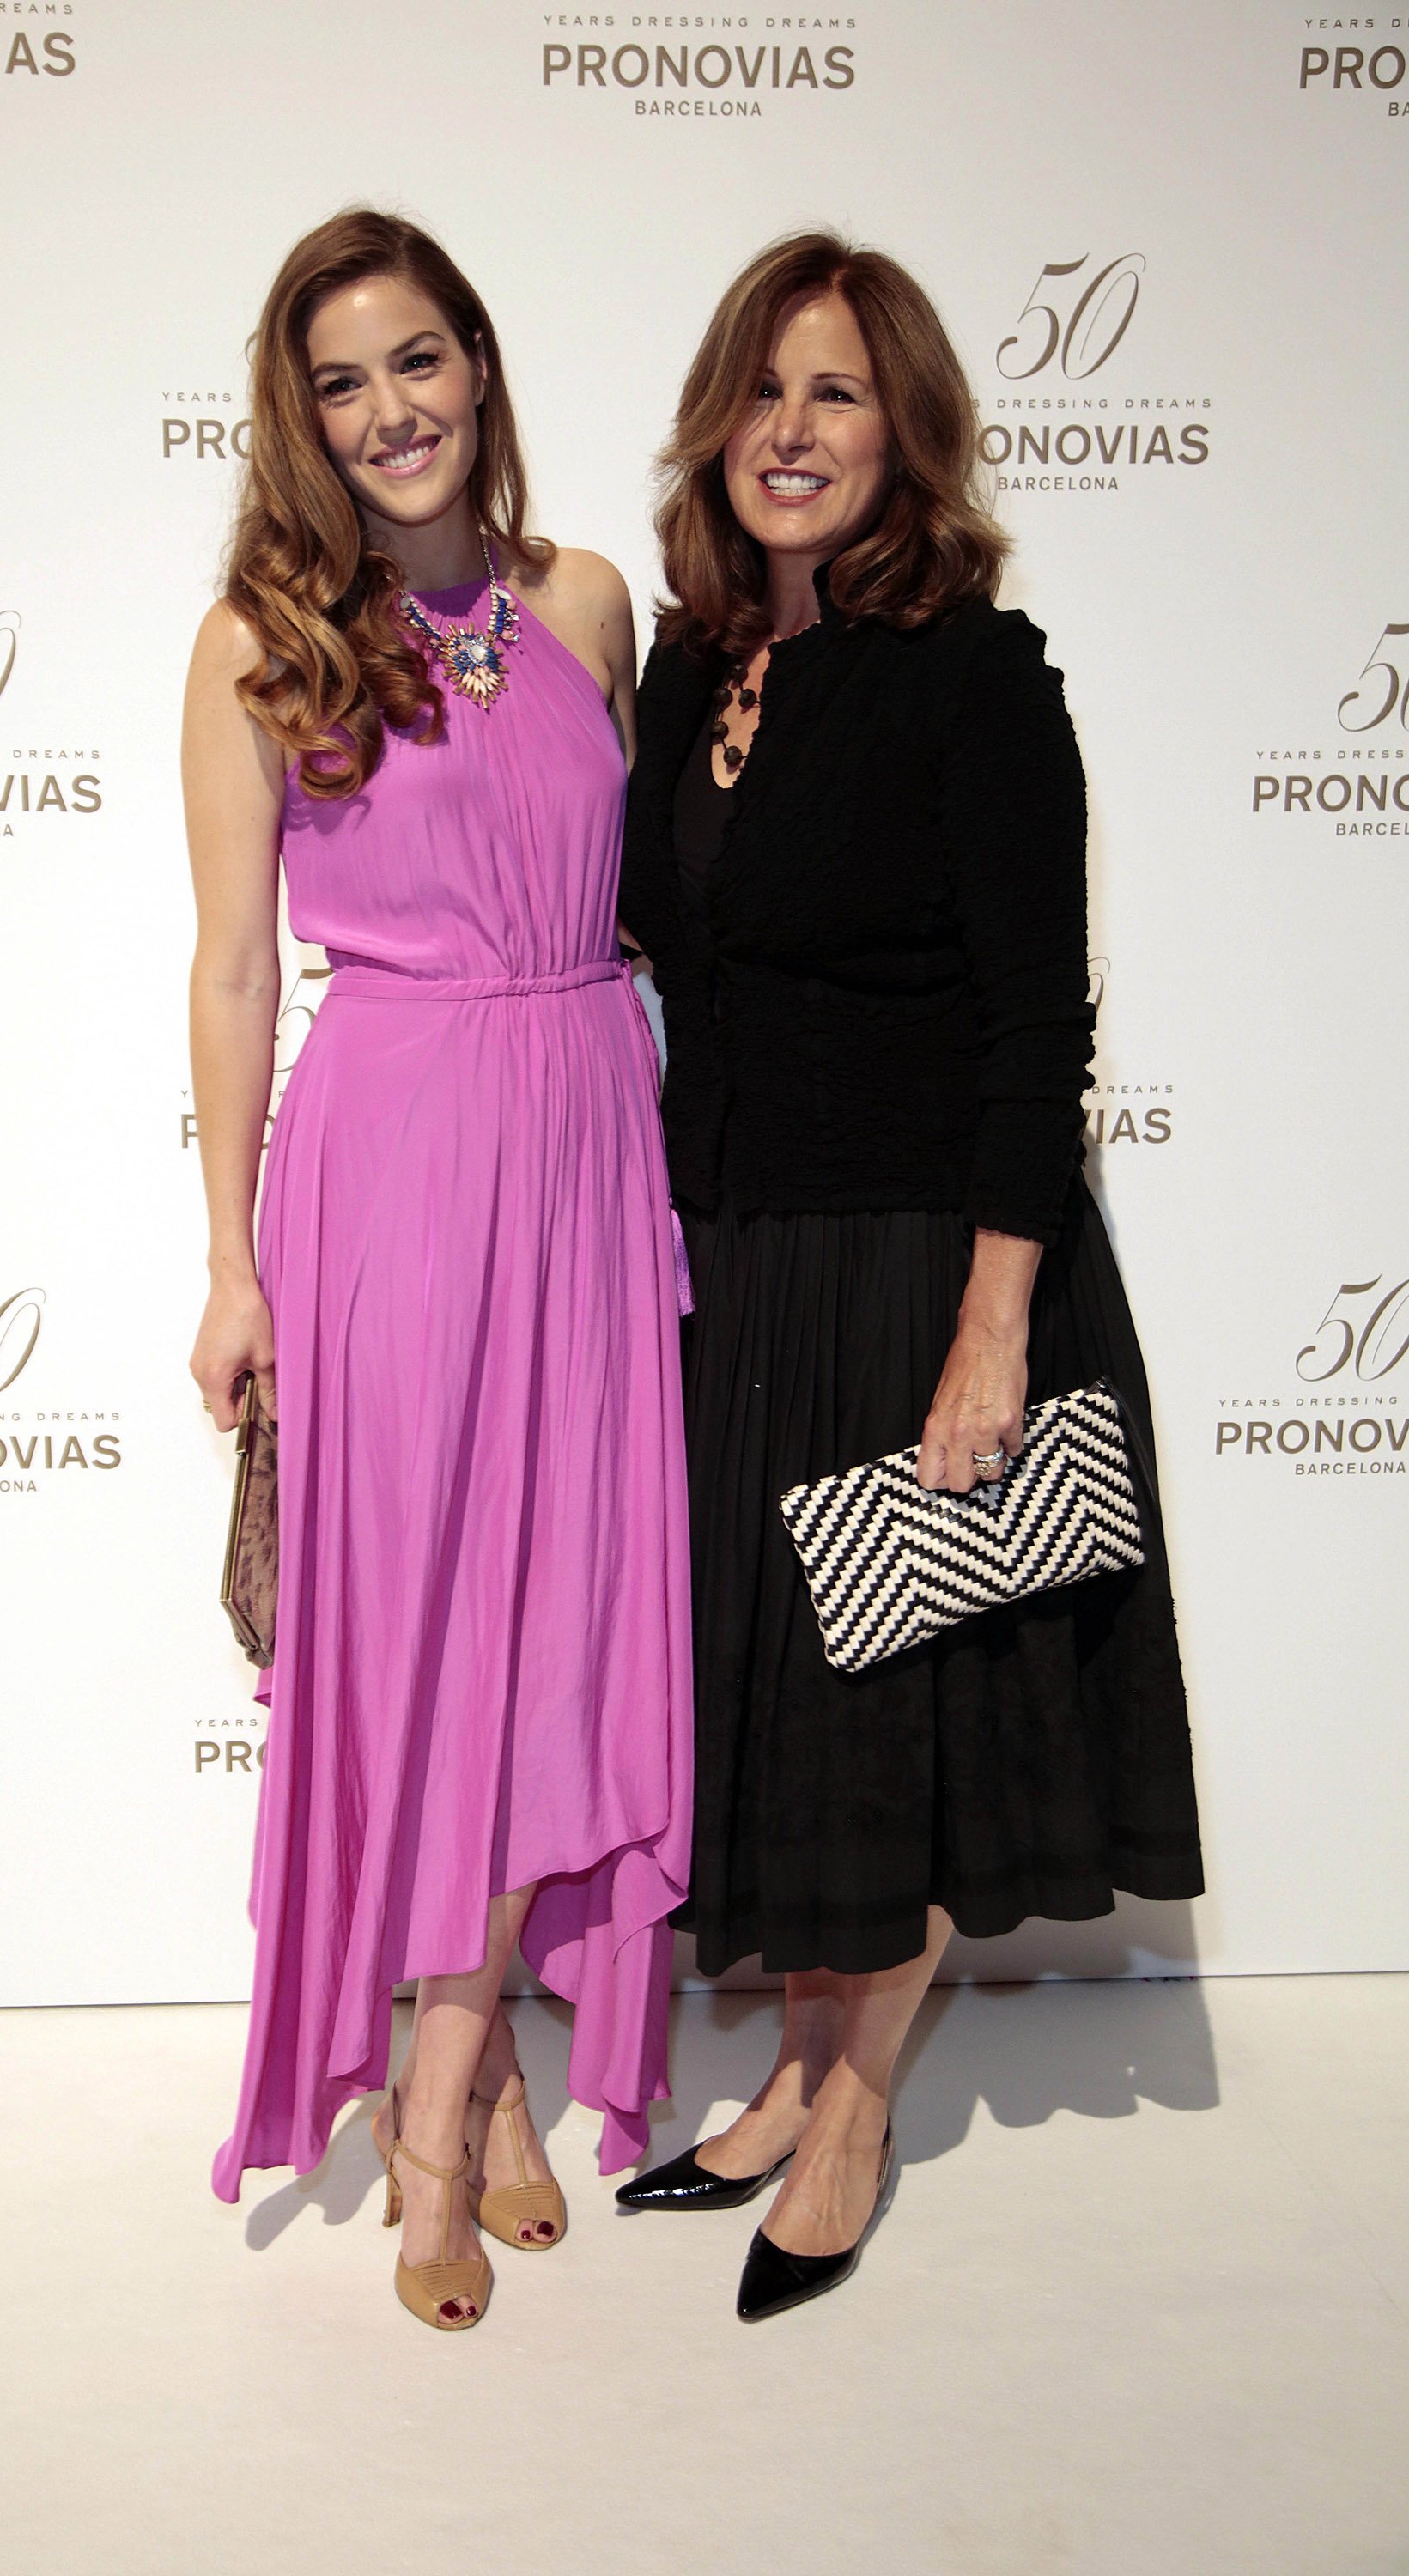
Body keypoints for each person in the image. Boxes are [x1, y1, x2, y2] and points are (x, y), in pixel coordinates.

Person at [613, 232, 1203, 2322]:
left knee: (889, 1703)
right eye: (763, 390)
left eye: (838, 393)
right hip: (741, 1263)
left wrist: (992, 1323)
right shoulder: (687, 668)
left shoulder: (975, 671)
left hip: (928, 1262)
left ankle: (854, 2119)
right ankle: (791, 2068)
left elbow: (1040, 1027)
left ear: (909, 431)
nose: (793, 431)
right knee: (786, 1694)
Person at [184, 210, 692, 2332]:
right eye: (339, 381)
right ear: (301, 419)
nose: (387, 411)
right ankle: (437, 2104)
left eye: (417, 361)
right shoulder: (256, 643)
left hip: (583, 1140)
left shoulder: (583, 600)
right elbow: (224, 969)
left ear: (478, 365)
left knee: (550, 1616)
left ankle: (468, 2069)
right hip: (385, 1165)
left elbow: (635, 894)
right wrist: (229, 1268)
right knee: (420, 1637)